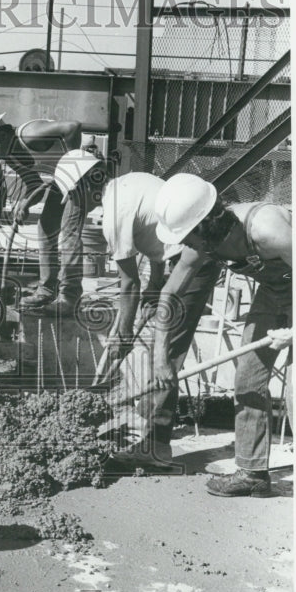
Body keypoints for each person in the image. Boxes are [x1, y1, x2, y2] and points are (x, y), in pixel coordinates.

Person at [153, 174, 292, 496]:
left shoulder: (267, 230)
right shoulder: (204, 246)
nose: (184, 245)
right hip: (275, 292)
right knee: (247, 378)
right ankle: (252, 472)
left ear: (205, 227)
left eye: (187, 236)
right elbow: (169, 295)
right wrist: (161, 358)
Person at [99, 171, 221, 466]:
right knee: (161, 347)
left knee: (166, 351)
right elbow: (159, 242)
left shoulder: (113, 215)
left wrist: (123, 333)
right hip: (184, 254)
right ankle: (150, 427)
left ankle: (156, 445)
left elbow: (129, 284)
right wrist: (155, 287)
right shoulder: (135, 182)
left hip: (193, 258)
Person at [0, 113, 111, 316]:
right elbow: (33, 184)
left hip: (87, 174)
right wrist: (25, 204)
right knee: (46, 228)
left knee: (69, 233)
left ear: (0, 137)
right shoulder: (10, 156)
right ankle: (46, 290)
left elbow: (72, 126)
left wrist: (72, 166)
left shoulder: (29, 136)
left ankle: (69, 298)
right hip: (64, 181)